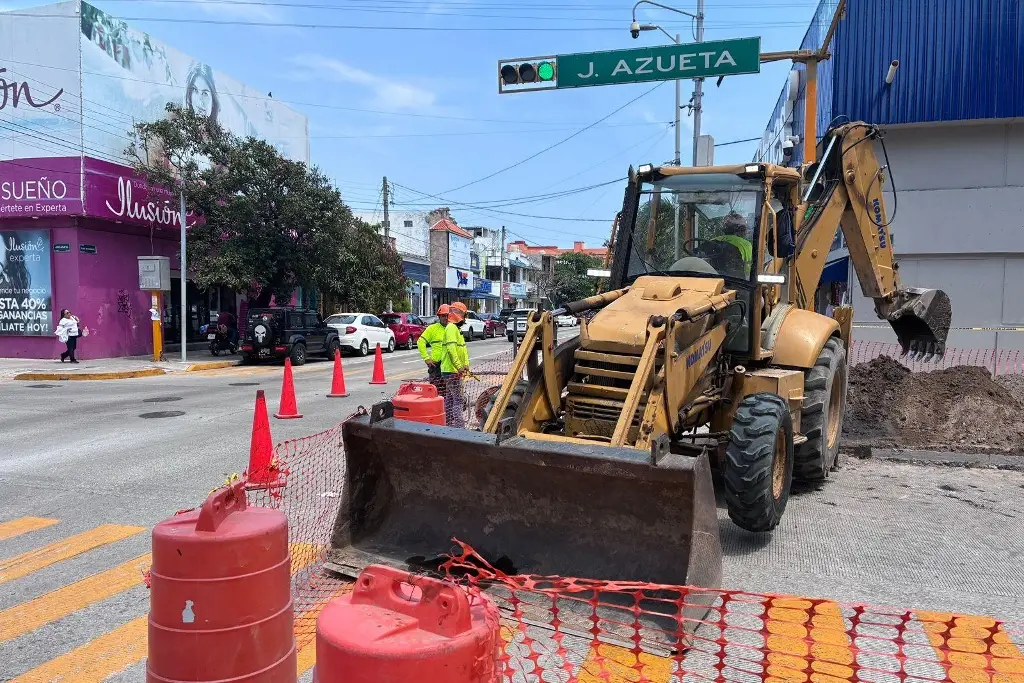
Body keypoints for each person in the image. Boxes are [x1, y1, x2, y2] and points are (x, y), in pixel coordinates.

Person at [441, 302, 470, 428]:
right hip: (452, 371)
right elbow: (451, 350)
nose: (465, 318)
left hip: (452, 370)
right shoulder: (451, 329)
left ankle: (448, 422)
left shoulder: (455, 329)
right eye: (464, 315)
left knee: (450, 397)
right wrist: (459, 367)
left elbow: (462, 349)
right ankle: (459, 426)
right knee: (458, 399)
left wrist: (466, 364)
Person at [417, 304, 449, 394]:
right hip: (436, 366)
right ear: (439, 316)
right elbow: (420, 342)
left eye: (447, 315)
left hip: (450, 366)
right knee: (436, 392)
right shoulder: (432, 329)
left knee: (450, 394)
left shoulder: (453, 329)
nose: (446, 318)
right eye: (443, 316)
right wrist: (426, 358)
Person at [711, 212, 754, 277]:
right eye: (745, 228)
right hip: (737, 281)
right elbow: (748, 269)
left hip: (711, 277)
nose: (747, 231)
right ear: (741, 229)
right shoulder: (745, 244)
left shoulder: (712, 240)